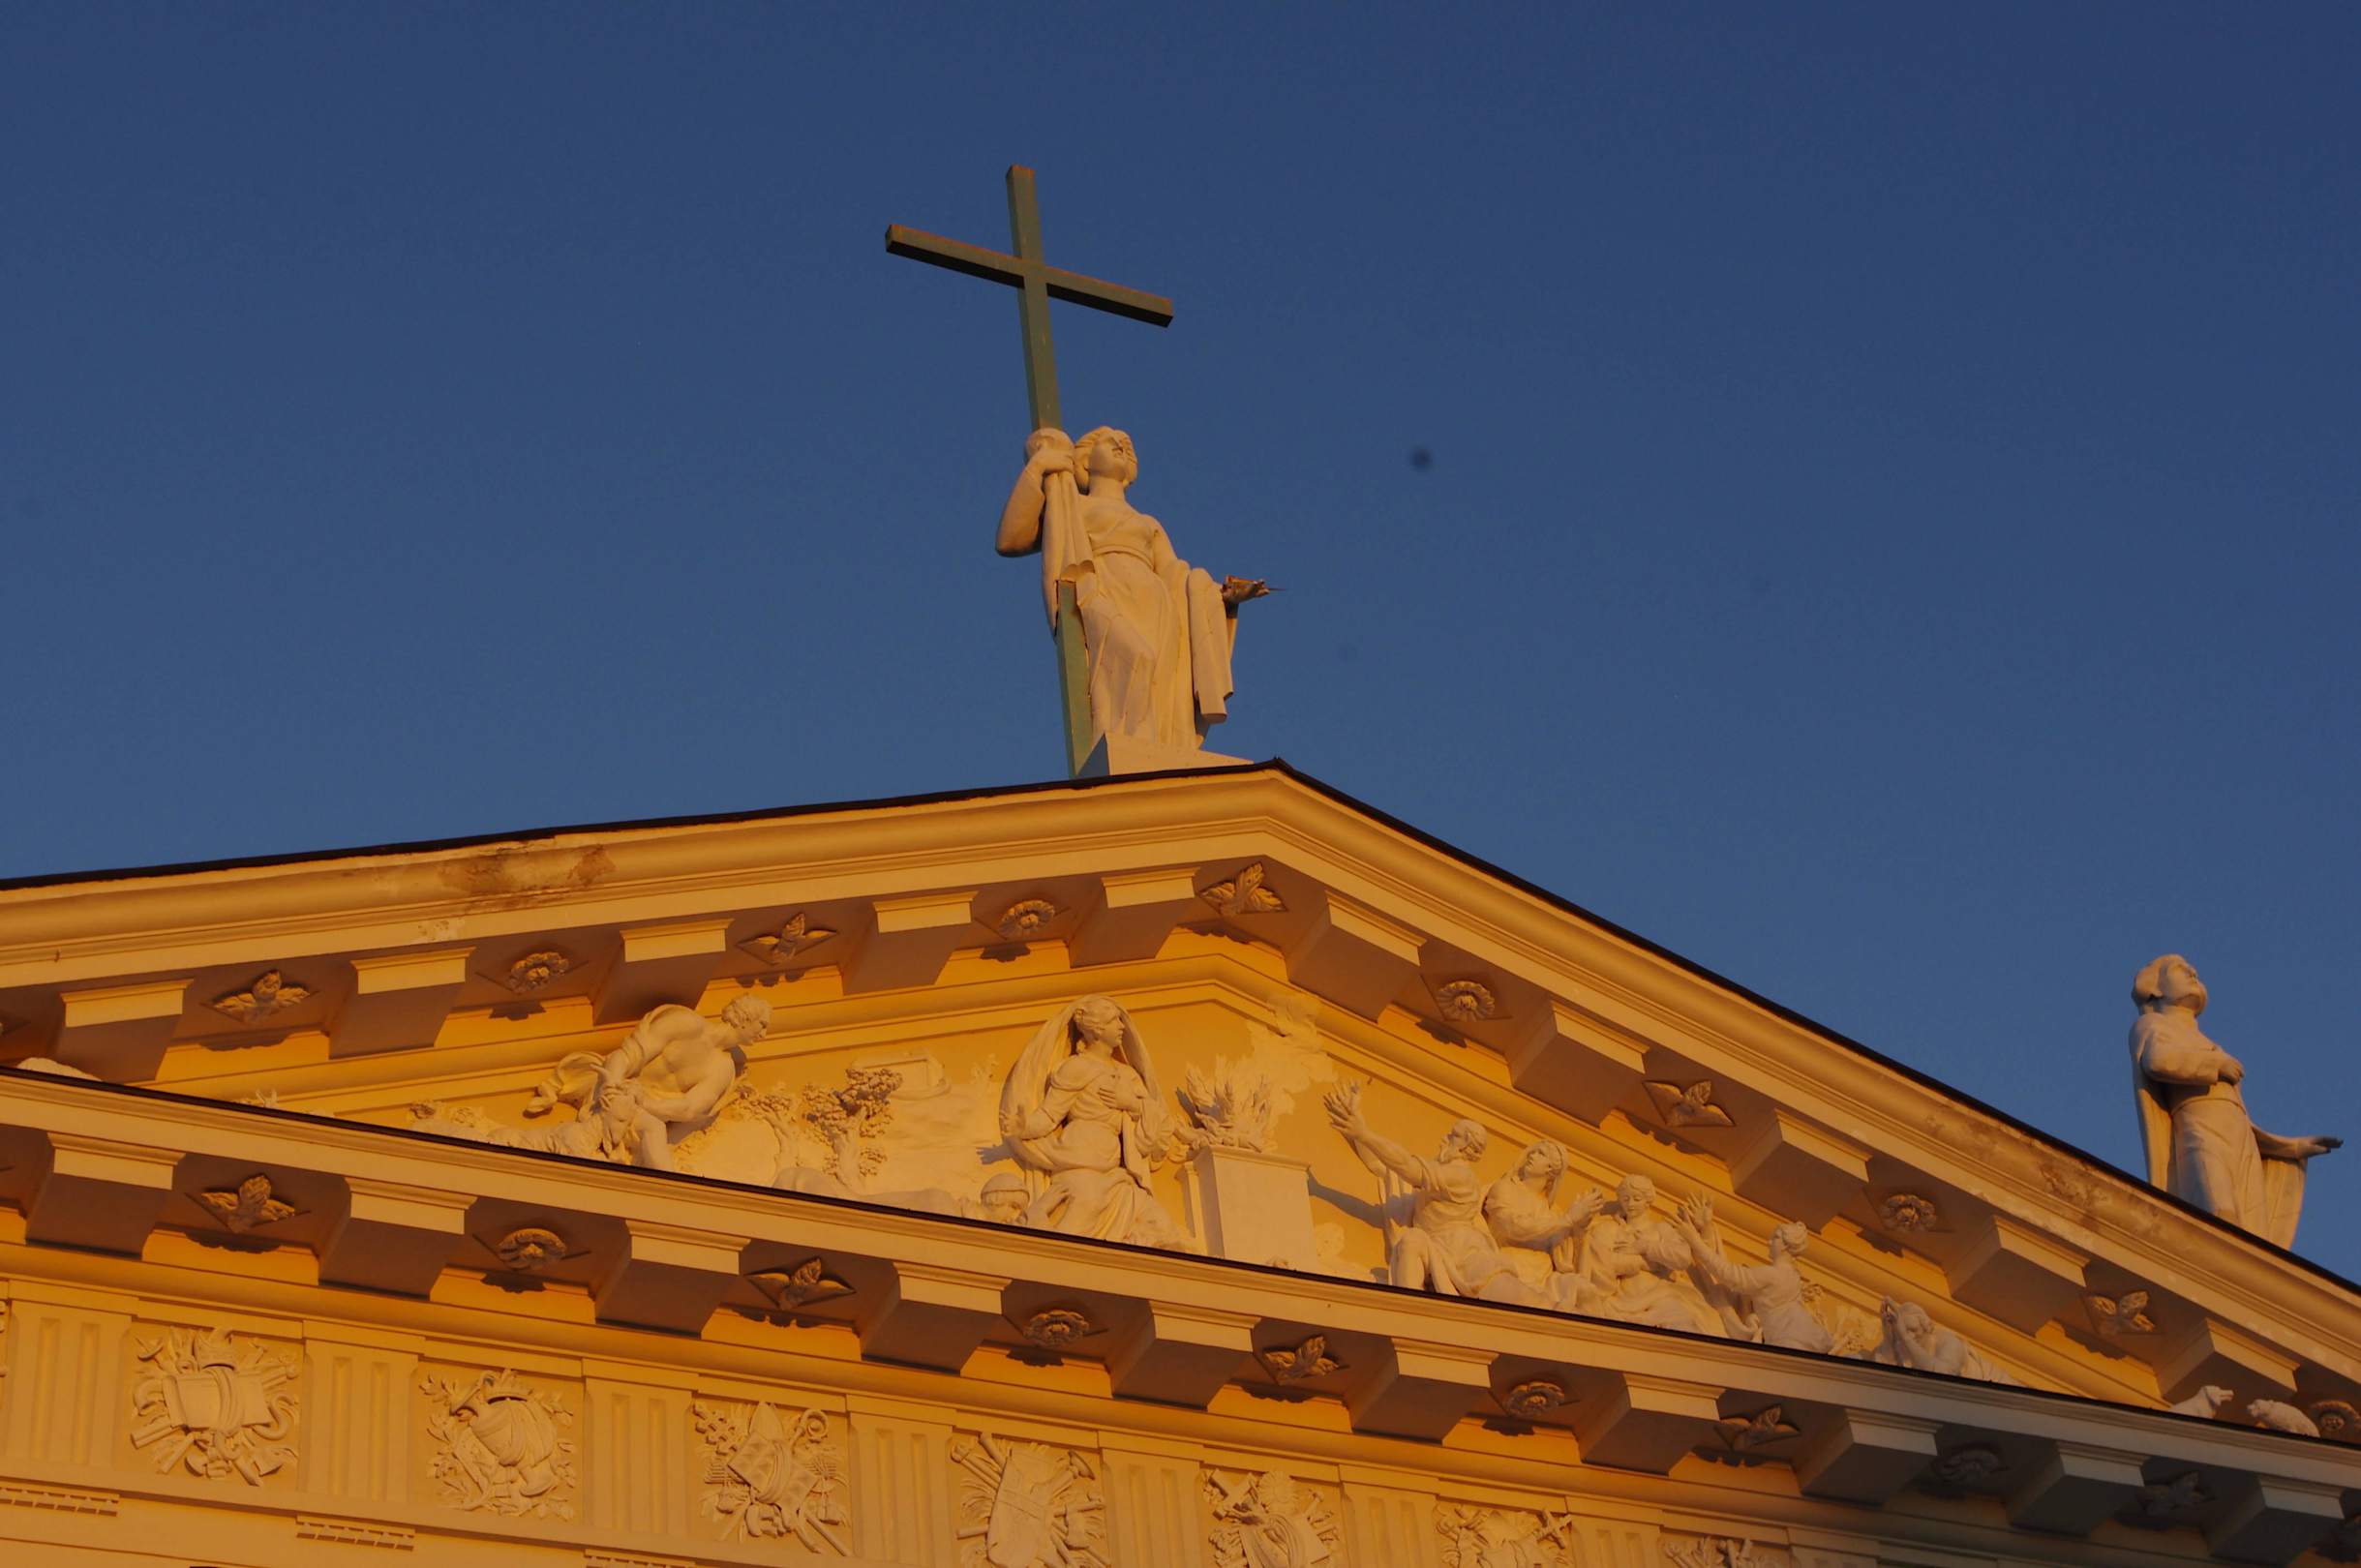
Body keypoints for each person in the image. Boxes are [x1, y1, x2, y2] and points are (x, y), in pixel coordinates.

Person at [997, 426, 1266, 754]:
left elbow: (1175, 572)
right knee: (1134, 659)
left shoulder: (1148, 523)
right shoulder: (1071, 504)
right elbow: (1011, 540)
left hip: (1157, 608)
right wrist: (1038, 466)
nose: (1120, 445)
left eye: (1126, 444)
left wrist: (1222, 596)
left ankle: (1156, 753)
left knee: (1161, 687)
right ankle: (1121, 751)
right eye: (1109, 441)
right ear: (1085, 459)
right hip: (1103, 591)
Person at [2129, 955, 2339, 1246]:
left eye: (2194, 970)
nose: (2192, 973)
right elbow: (2156, 1061)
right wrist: (2214, 1066)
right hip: (2200, 1130)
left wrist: (2291, 1147)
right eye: (2180, 970)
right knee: (2220, 1213)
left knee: (2252, 1232)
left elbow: (2241, 1120)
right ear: (2155, 989)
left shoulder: (2204, 1040)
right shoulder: (2153, 1024)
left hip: (2240, 1139)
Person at [998, 995, 1200, 1251]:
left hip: (1116, 1170)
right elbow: (1049, 1115)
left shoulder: (1127, 1075)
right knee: (1080, 1220)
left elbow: (1157, 1119)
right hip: (1081, 1161)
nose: (1122, 1026)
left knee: (1158, 1222)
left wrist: (1132, 1104)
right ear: (1097, 1029)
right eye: (1114, 1020)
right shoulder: (1076, 1068)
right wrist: (1024, 1126)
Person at [524, 994, 770, 1171]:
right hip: (612, 1086)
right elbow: (627, 1056)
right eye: (762, 1025)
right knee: (652, 1128)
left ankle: (666, 1191)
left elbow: (689, 1109)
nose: (764, 1034)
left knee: (654, 1127)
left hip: (641, 1109)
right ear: (745, 1018)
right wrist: (612, 1087)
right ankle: (670, 1193)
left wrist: (644, 1101)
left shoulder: (723, 1068)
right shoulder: (686, 1023)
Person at [1323, 1084, 1512, 1296]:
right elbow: (1379, 1165)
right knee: (1412, 1241)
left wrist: (1364, 1134)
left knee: (1412, 1240)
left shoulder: (1460, 1176)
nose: (1444, 1138)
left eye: (1453, 1135)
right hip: (1436, 1247)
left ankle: (1411, 1306)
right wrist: (1353, 1123)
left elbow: (1408, 1167)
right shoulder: (1435, 1181)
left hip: (1458, 1252)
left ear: (1465, 1144)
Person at [1566, 1176, 1721, 1334]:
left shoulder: (1661, 1230)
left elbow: (1682, 1258)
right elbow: (1602, 1263)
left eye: (1637, 1199)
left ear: (1648, 1201)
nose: (1630, 1204)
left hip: (1659, 1297)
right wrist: (1644, 1263)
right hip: (1619, 1302)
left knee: (1684, 1326)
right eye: (1626, 1199)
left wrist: (1646, 1247)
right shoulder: (1609, 1229)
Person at [1676, 1213, 1833, 1352]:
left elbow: (1729, 1274)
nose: (1769, 1242)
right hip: (1802, 1336)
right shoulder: (1793, 1276)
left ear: (1785, 1245)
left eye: (1775, 1238)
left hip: (1790, 1340)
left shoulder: (1773, 1275)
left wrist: (1694, 1241)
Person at [1477, 1139, 1604, 1306]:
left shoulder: (1553, 1211)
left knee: (1585, 1292)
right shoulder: (1505, 1188)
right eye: (1534, 1151)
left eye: (1541, 1154)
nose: (1532, 1155)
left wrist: (1580, 1224)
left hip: (1545, 1278)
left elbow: (1564, 1259)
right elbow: (1512, 1226)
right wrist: (1568, 1220)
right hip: (1511, 1268)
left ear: (1551, 1169)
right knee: (1524, 1298)